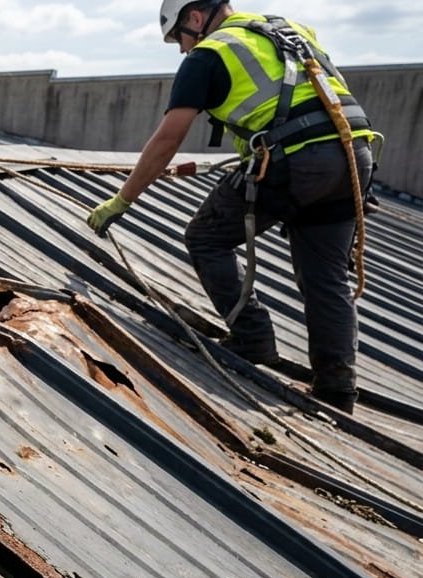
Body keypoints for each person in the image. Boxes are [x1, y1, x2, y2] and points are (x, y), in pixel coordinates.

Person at [87, 0, 374, 413]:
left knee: (205, 237)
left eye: (179, 38)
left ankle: (253, 336)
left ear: (196, 18)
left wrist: (122, 199)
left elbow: (168, 139)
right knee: (326, 277)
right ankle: (337, 391)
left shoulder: (209, 54)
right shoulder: (289, 31)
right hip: (352, 158)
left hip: (293, 160)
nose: (181, 50)